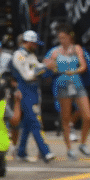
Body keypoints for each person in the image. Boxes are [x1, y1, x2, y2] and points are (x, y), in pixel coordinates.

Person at [45, 24, 90, 159]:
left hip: (77, 83)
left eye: (64, 38)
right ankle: (69, 149)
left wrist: (74, 71)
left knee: (88, 116)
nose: (62, 41)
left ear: (70, 38)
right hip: (63, 84)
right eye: (60, 38)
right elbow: (49, 66)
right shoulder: (55, 51)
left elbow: (83, 66)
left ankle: (83, 143)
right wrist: (51, 66)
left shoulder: (76, 49)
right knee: (65, 118)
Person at [10, 30, 53, 162]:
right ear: (28, 42)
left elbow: (38, 67)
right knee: (35, 122)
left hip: (34, 90)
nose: (36, 46)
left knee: (28, 123)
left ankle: (21, 152)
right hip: (24, 91)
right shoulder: (19, 56)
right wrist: (45, 67)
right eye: (34, 43)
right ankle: (45, 152)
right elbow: (27, 75)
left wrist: (50, 66)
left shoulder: (31, 55)